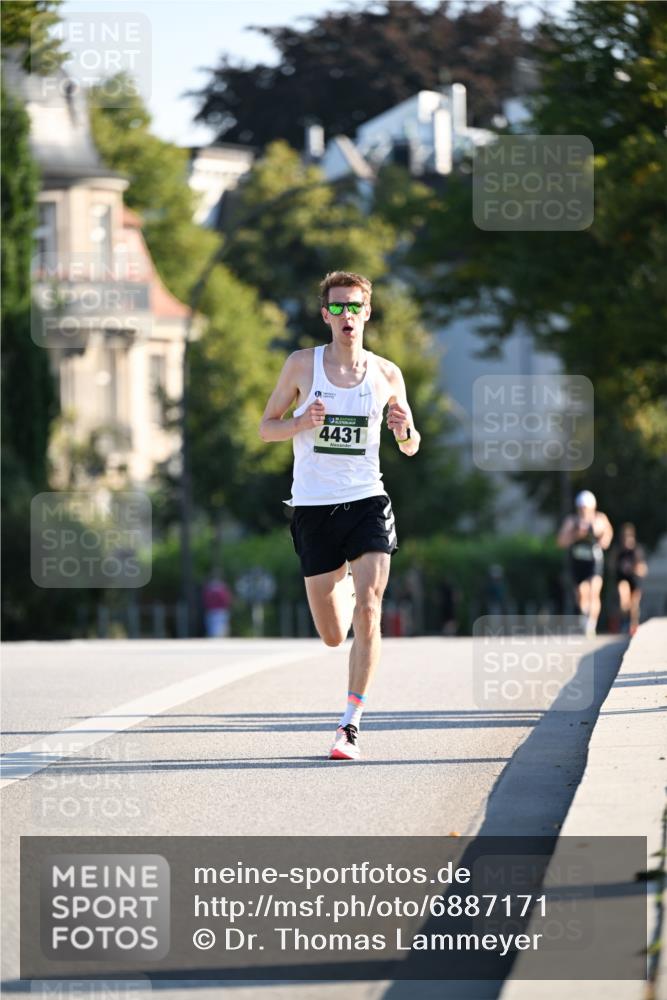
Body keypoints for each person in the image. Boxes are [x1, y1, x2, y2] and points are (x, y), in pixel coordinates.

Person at [259, 270, 420, 760]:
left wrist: (404, 430)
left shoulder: (387, 373)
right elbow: (266, 428)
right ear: (325, 314)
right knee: (333, 636)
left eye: (355, 306)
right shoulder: (301, 365)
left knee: (371, 609)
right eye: (338, 306)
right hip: (313, 507)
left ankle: (350, 724)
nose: (346, 314)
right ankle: (344, 584)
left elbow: (411, 446)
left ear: (367, 312)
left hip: (368, 500)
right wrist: (299, 422)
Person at [557, 490, 613, 637]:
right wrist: (576, 534)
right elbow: (561, 542)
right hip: (578, 562)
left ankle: (591, 624)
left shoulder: (599, 518)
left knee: (594, 591)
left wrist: (598, 534)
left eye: (586, 508)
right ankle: (584, 616)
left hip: (594, 562)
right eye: (581, 508)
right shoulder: (572, 521)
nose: (583, 511)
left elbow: (607, 536)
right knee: (581, 594)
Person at [615, 523, 648, 636]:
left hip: (635, 581)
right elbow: (612, 565)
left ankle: (633, 626)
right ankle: (624, 621)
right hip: (623, 579)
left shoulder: (637, 551)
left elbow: (643, 569)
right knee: (624, 602)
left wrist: (633, 568)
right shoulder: (619, 551)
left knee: (634, 605)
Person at [202, 571, 233, 638]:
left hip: (213, 611)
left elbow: (206, 600)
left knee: (213, 630)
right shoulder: (222, 587)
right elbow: (227, 600)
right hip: (220, 611)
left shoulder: (209, 588)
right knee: (220, 630)